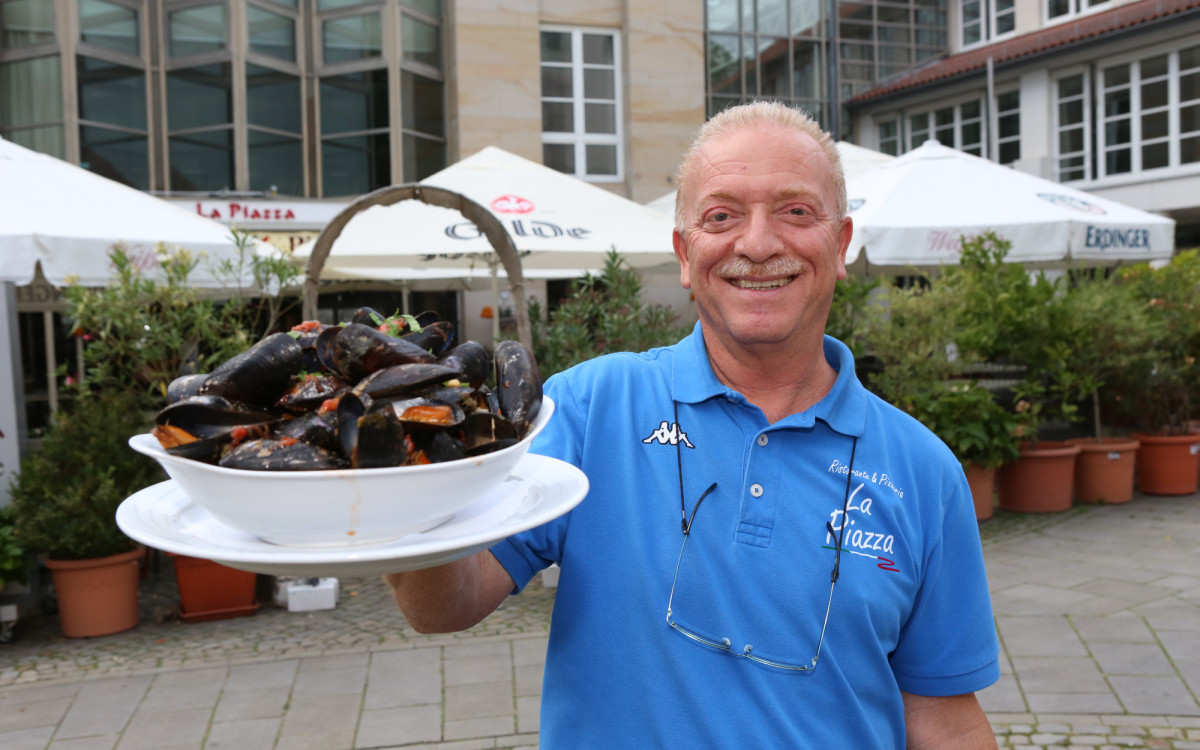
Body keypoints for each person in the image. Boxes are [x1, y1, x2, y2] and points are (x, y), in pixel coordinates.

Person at [386, 101, 1000, 748]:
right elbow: (443, 607)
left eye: (795, 212)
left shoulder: (923, 471)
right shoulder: (591, 409)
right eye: (721, 216)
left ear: (841, 244)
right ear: (685, 253)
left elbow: (944, 718)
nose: (758, 244)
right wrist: (410, 480)